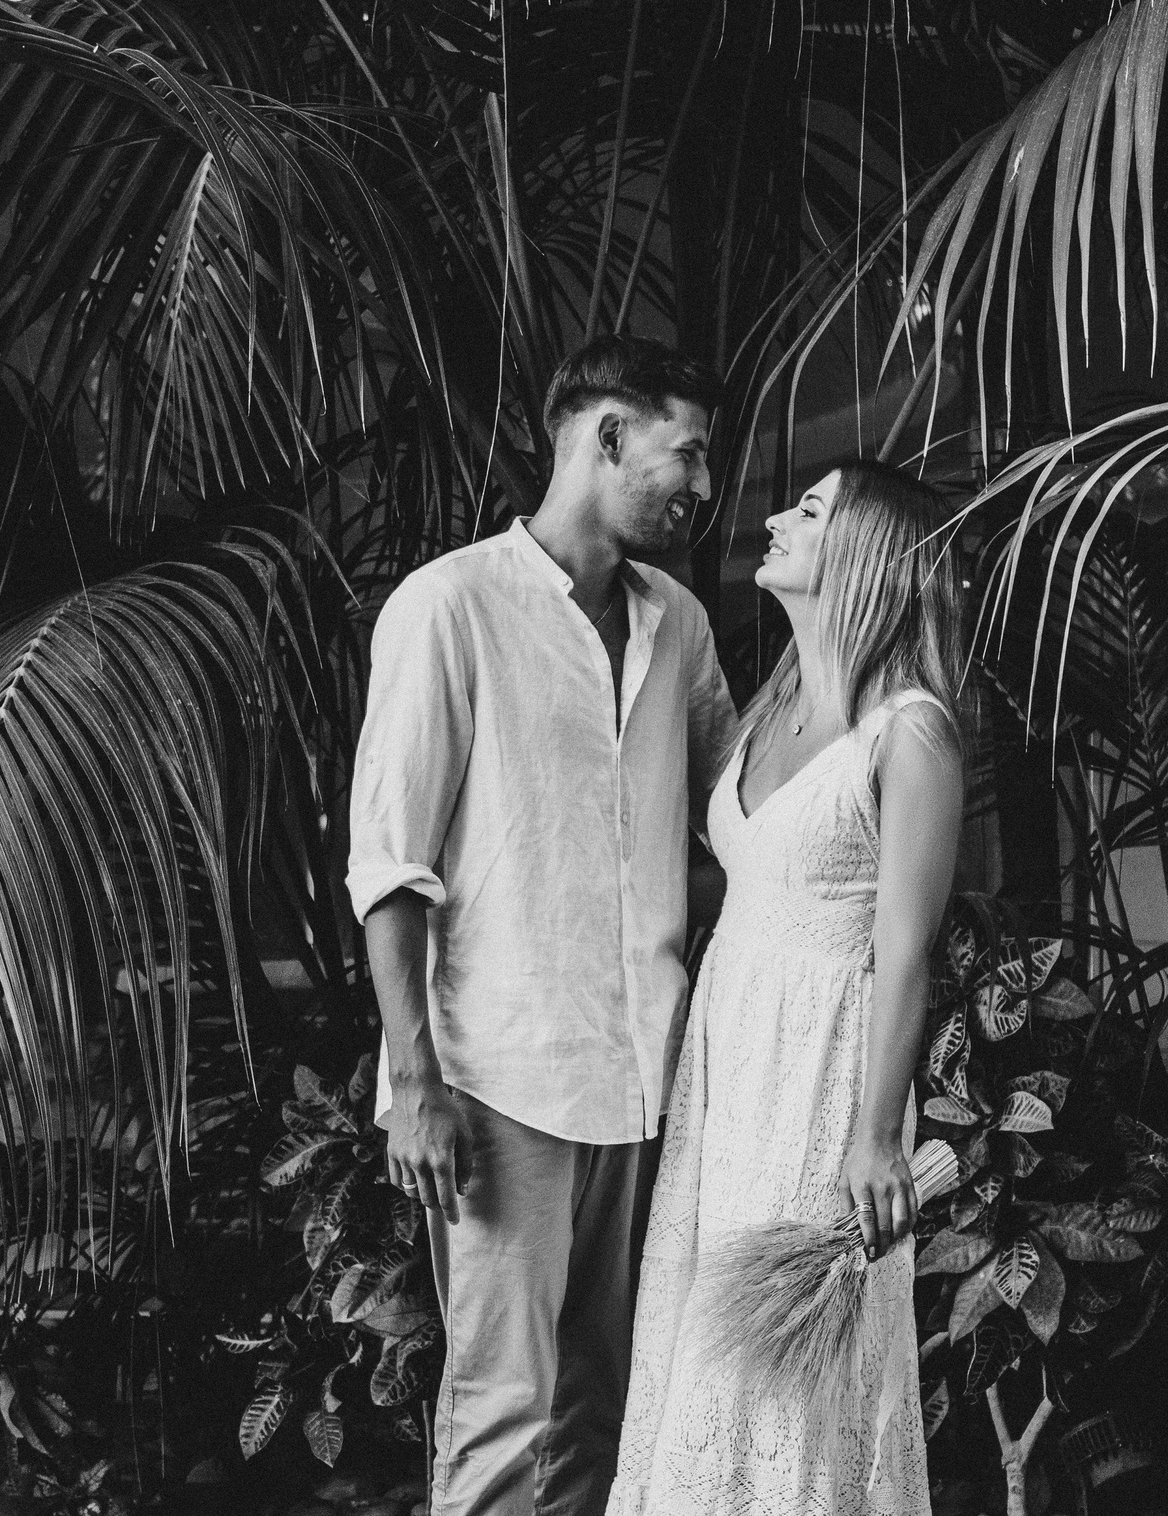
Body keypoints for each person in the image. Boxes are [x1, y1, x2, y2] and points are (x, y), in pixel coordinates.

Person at [346, 336, 738, 1516]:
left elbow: (736, 809)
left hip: (642, 1074)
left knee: (603, 1407)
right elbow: (390, 863)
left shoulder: (678, 626)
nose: (704, 488)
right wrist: (411, 1077)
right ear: (606, 437)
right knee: (501, 1414)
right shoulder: (450, 606)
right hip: (497, 1080)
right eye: (689, 453)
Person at [607, 459, 967, 1516]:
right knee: (697, 1352)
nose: (771, 519)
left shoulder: (912, 731)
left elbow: (904, 952)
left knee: (785, 1392)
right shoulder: (767, 707)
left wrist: (877, 1137)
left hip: (822, 1075)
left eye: (808, 511)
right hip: (729, 1070)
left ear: (865, 555)